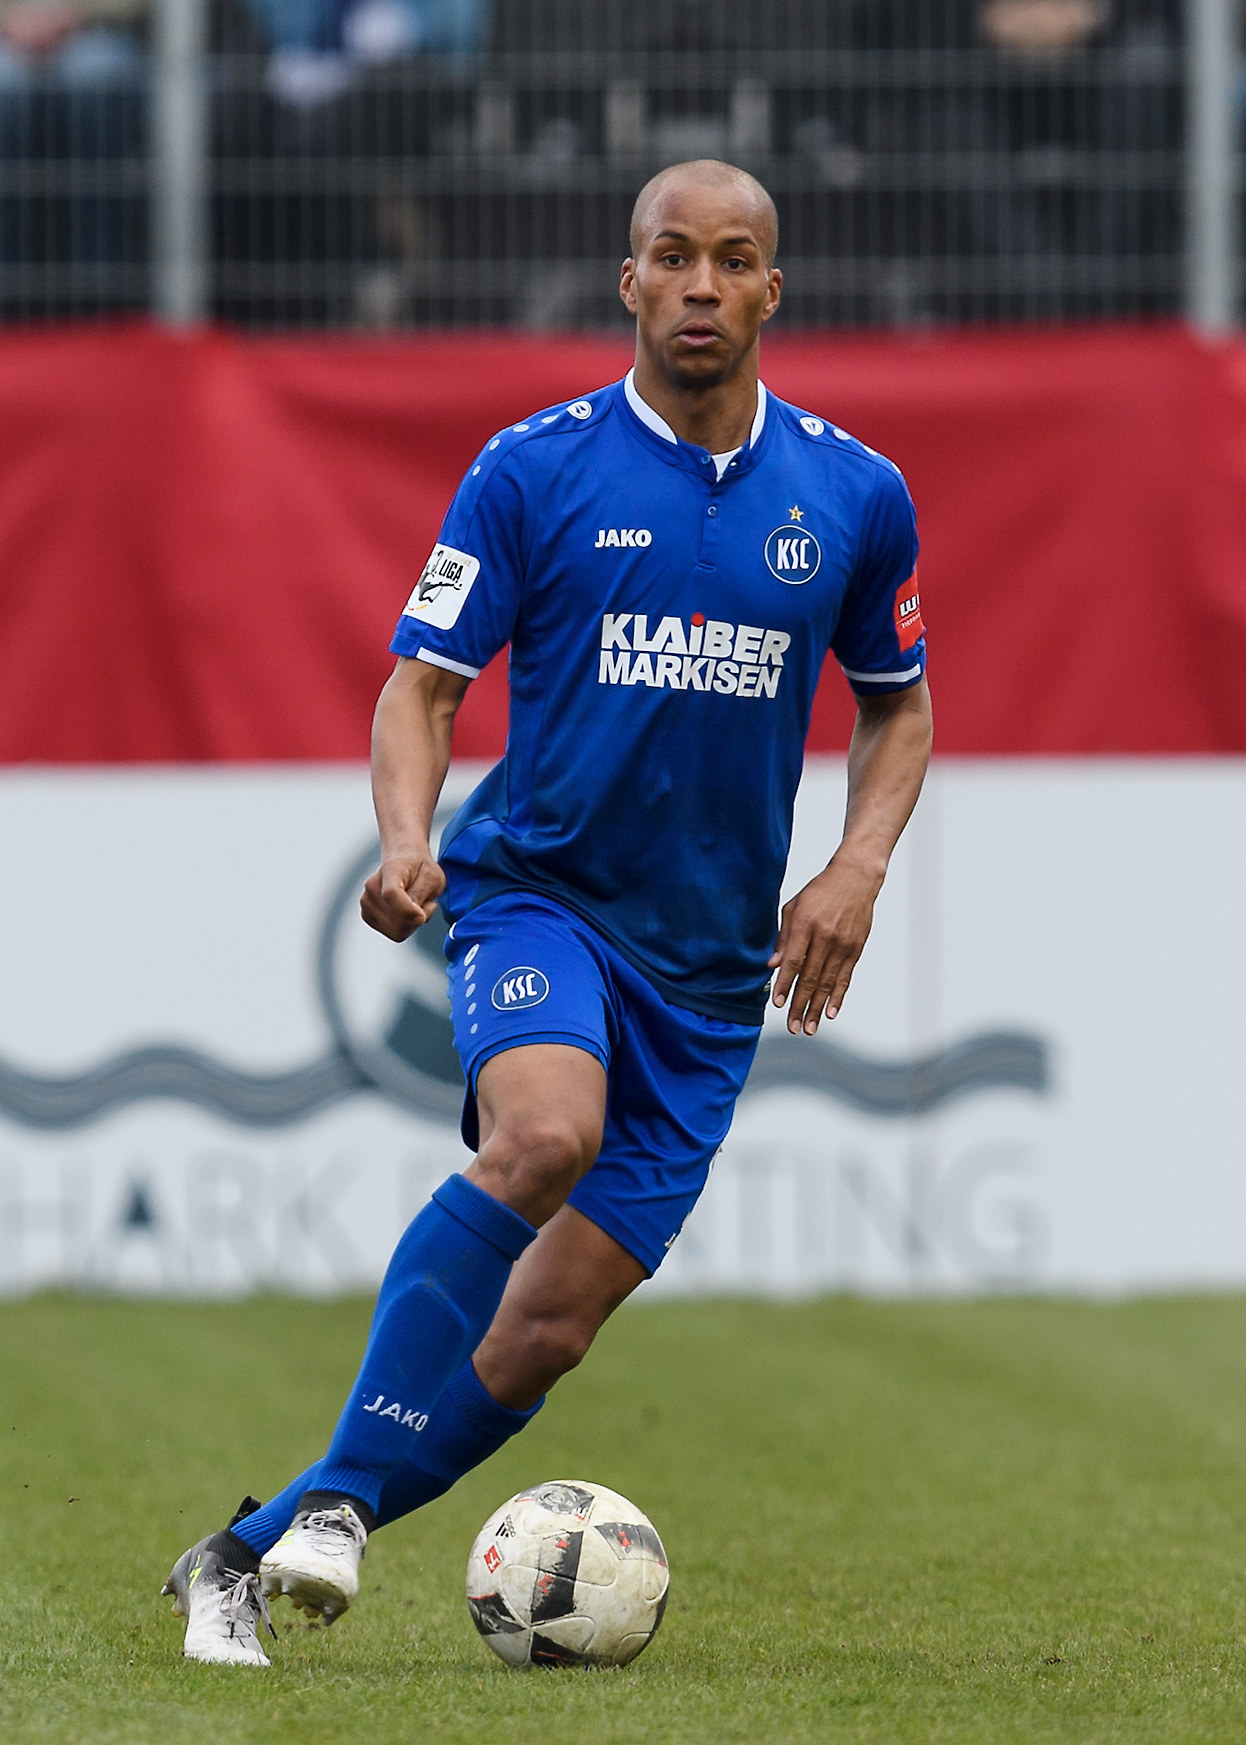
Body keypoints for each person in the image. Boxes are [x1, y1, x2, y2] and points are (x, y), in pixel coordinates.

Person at [161, 157, 933, 1665]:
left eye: (732, 260)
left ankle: (247, 1550)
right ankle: (335, 1514)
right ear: (627, 280)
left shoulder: (854, 492)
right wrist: (406, 841)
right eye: (672, 256)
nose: (700, 284)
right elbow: (420, 686)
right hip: (542, 897)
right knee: (542, 1137)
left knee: (544, 1332)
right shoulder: (535, 468)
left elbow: (896, 705)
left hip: (710, 976)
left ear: (773, 290)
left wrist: (855, 867)